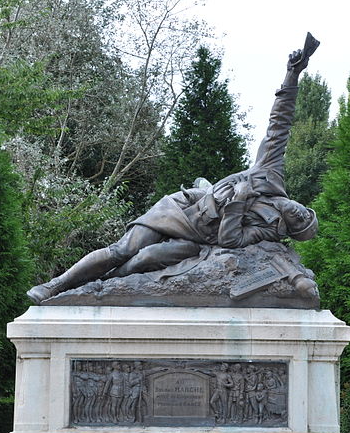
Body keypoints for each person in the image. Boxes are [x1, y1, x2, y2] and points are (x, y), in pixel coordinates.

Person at [27, 35, 320, 304]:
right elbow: (279, 124)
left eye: (300, 223)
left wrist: (239, 202)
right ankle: (55, 285)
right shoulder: (270, 173)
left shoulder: (268, 230)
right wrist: (292, 75)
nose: (300, 214)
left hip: (199, 239)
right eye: (306, 213)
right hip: (182, 208)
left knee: (145, 260)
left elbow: (231, 240)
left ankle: (98, 287)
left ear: (289, 228)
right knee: (123, 250)